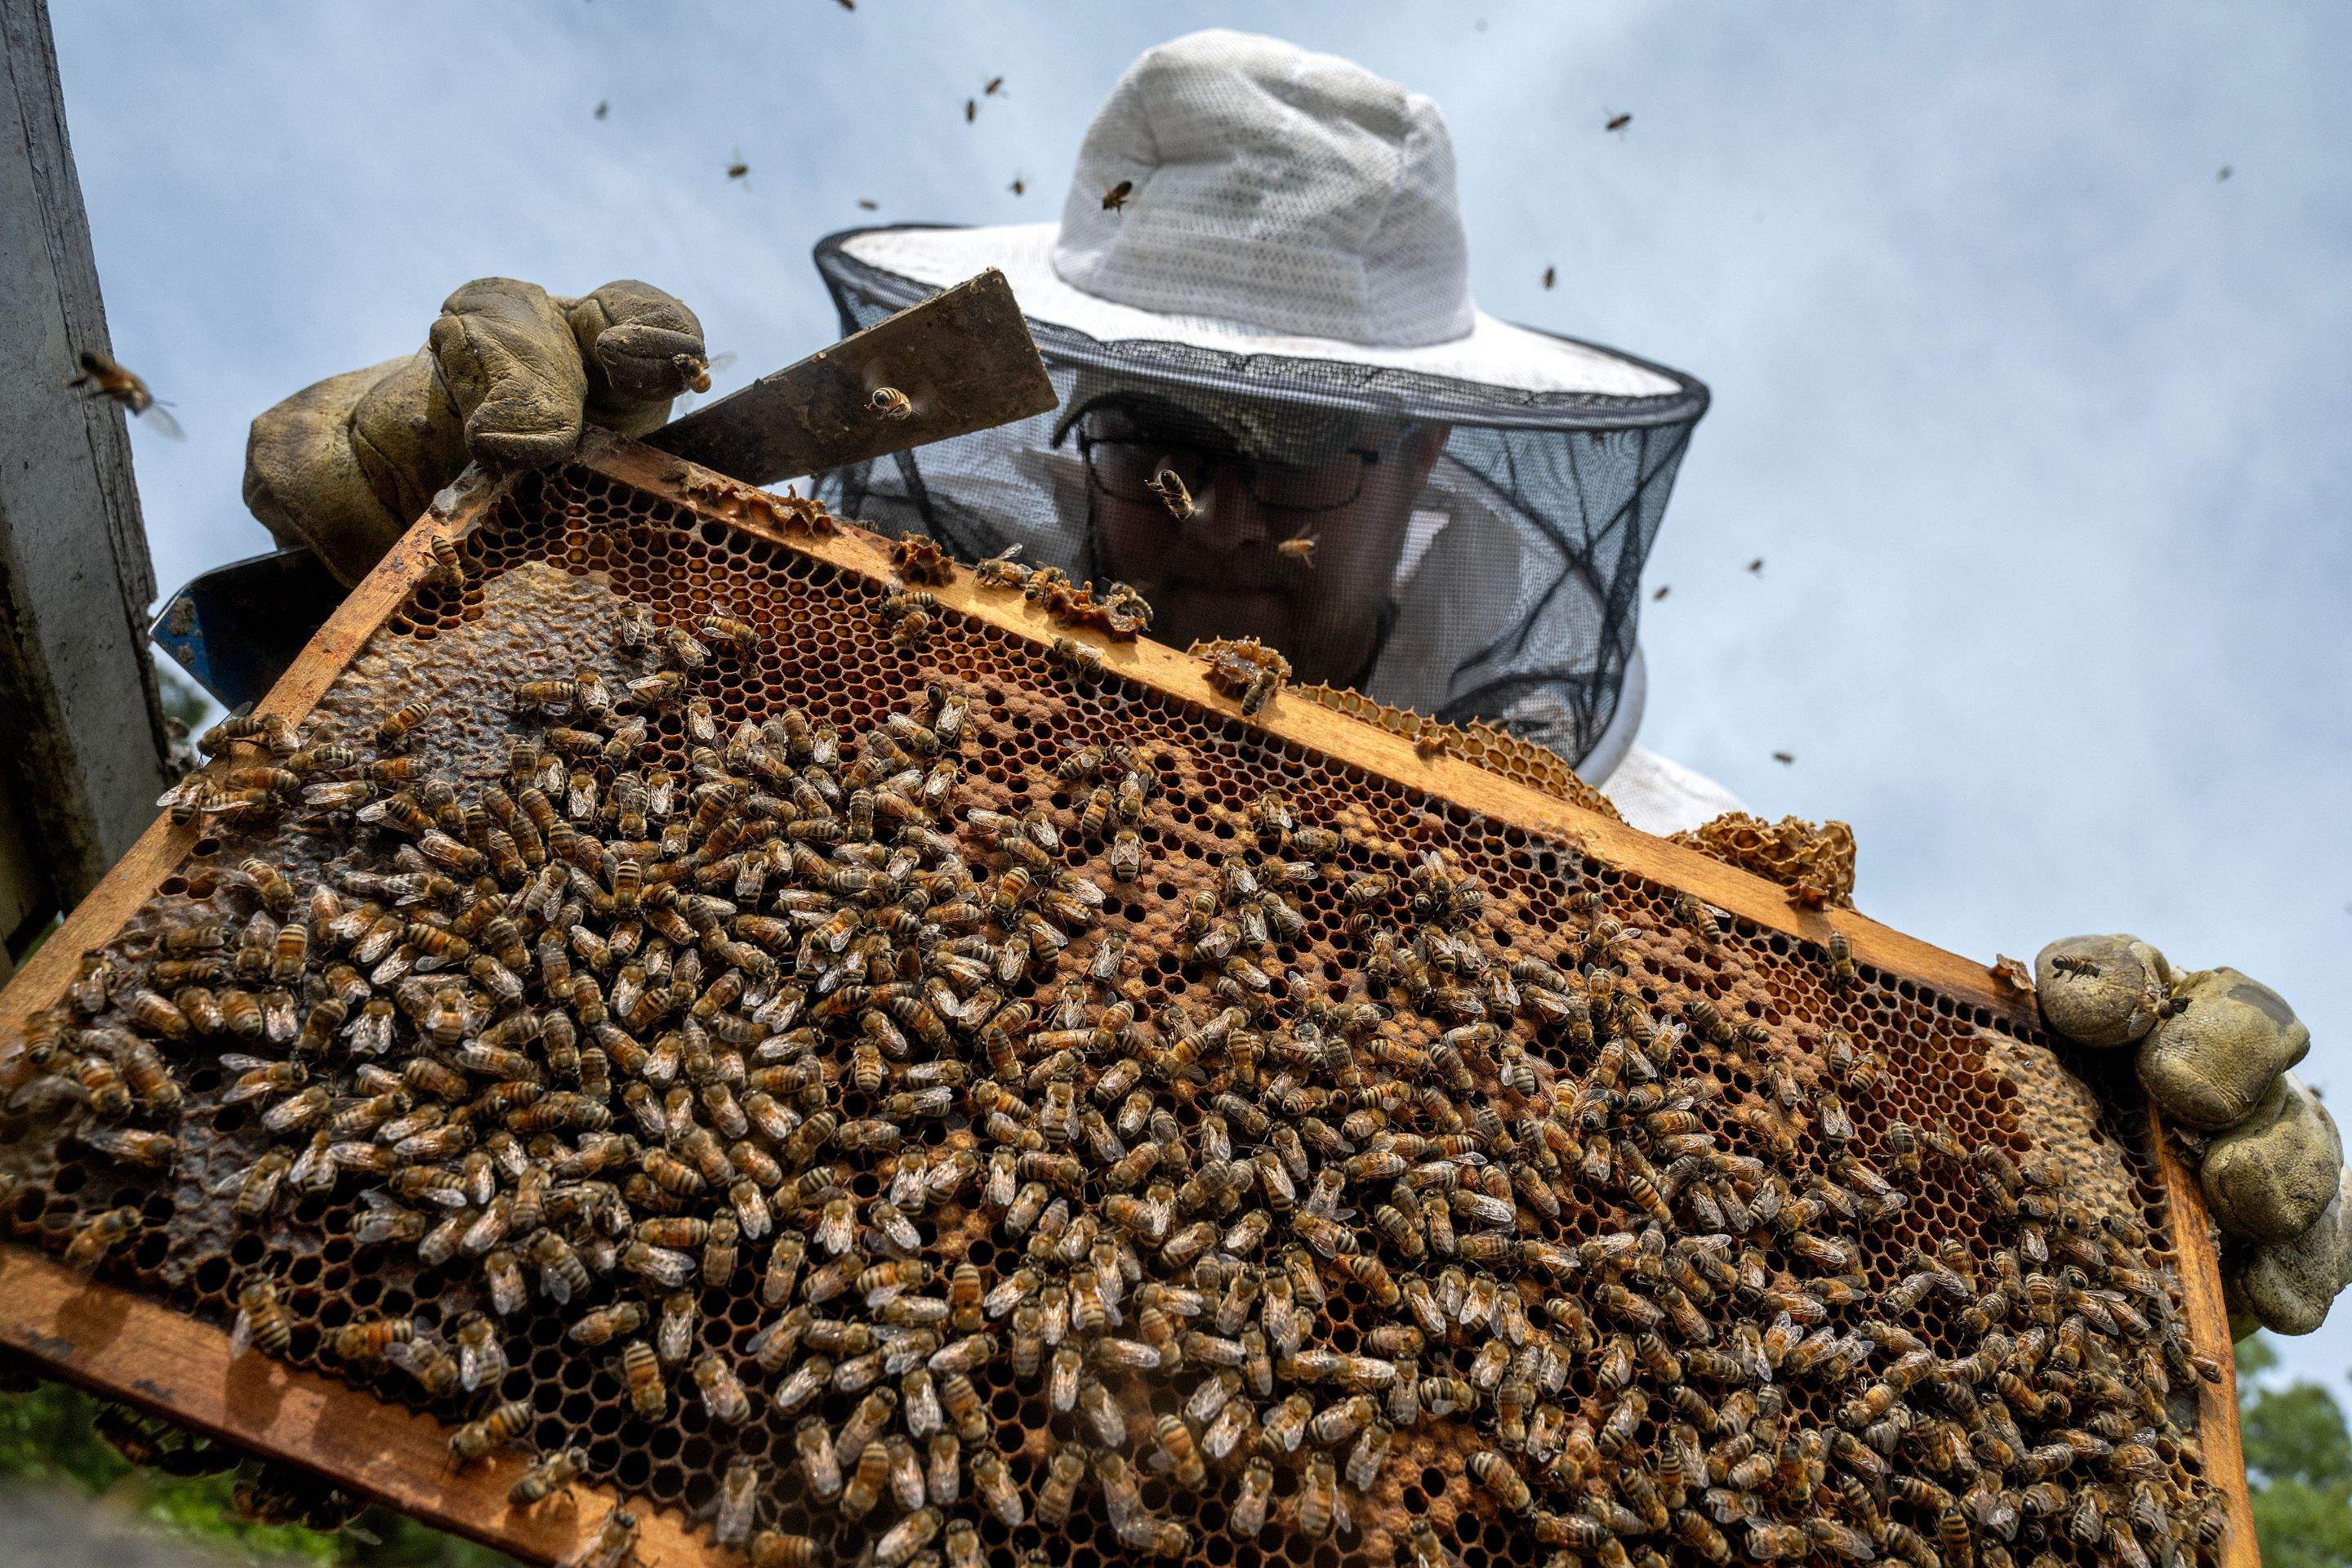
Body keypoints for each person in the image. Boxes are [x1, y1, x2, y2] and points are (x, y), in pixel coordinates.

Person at [240, 29, 2347, 1334]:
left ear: (1427, 456)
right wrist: (428, 558)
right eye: (1166, 447)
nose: (1228, 528)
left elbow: (1899, 1203)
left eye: (1308, 462)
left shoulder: (1676, 880)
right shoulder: (807, 664)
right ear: (1066, 415)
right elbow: (382, 862)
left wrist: (2126, 1190)